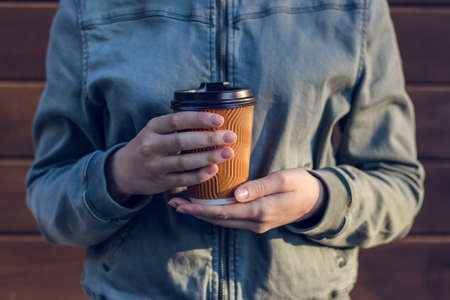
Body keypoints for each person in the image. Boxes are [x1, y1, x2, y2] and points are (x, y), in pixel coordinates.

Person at [26, 0, 425, 299]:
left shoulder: (354, 9)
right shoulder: (89, 9)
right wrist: (120, 175)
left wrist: (319, 199)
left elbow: (398, 185)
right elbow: (49, 195)